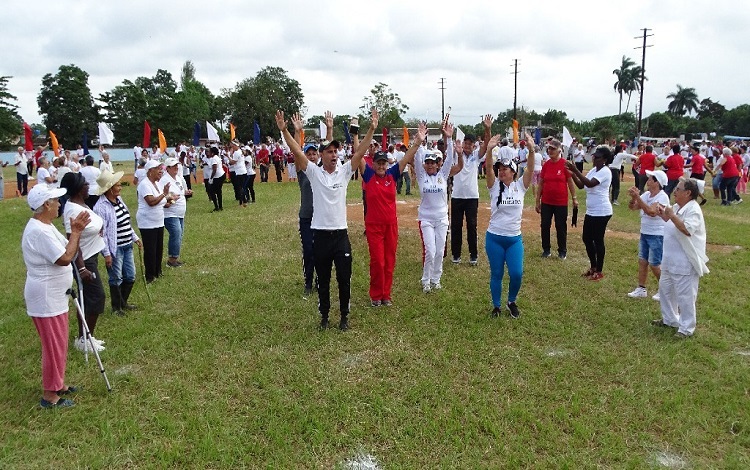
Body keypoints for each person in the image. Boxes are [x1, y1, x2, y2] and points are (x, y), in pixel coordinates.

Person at [277, 108, 378, 331]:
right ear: (321, 156)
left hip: (340, 236)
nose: (333, 155)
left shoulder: (344, 171)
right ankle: (324, 316)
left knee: (344, 280)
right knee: (323, 281)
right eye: (329, 152)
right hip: (320, 235)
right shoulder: (314, 173)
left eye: (336, 151)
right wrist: (285, 130)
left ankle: (344, 316)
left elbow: (360, 152)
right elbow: (297, 151)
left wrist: (371, 129)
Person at [22, 184, 90, 408]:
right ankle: (50, 396)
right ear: (46, 205)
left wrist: (75, 233)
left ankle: (57, 384)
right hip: (45, 297)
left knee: (59, 342)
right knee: (52, 345)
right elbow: (64, 258)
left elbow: (68, 249)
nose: (60, 204)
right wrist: (77, 232)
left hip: (54, 295)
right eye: (56, 201)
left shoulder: (46, 225)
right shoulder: (39, 231)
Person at [361, 122, 426, 306]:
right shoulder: (368, 176)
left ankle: (386, 295)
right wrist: (365, 132)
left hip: (391, 226)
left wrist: (418, 142)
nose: (381, 166)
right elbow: (358, 154)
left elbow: (407, 157)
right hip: (374, 227)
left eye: (383, 163)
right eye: (378, 163)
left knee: (389, 261)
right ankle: (375, 295)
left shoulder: (392, 174)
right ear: (373, 164)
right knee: (377, 262)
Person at [483, 132, 535, 319]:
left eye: (505, 168)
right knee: (496, 273)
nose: (501, 171)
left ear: (513, 171)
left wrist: (531, 149)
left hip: (514, 239)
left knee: (516, 273)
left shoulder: (520, 186)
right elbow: (488, 168)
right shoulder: (494, 186)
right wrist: (489, 150)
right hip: (495, 238)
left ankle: (511, 301)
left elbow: (529, 169)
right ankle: (496, 306)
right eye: (500, 168)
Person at [652, 178, 708, 338]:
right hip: (670, 260)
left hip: (684, 262)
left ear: (688, 193)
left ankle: (686, 328)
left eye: (678, 189)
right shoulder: (677, 207)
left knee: (685, 296)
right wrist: (664, 214)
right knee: (666, 290)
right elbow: (671, 222)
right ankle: (670, 319)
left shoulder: (693, 210)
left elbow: (687, 229)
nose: (675, 191)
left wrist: (671, 215)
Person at [59, 172, 107, 352]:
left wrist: (97, 230)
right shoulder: (72, 210)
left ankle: (86, 336)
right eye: (86, 184)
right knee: (96, 297)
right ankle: (83, 339)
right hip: (84, 261)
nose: (89, 186)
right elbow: (74, 241)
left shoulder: (81, 204)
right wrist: (81, 268)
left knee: (88, 298)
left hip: (91, 256)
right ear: (79, 188)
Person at [416, 125, 460, 293]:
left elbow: (449, 160)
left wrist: (448, 138)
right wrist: (420, 141)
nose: (430, 165)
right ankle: (426, 280)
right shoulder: (421, 177)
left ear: (437, 164)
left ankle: (436, 279)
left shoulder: (443, 175)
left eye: (433, 162)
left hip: (442, 218)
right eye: (427, 162)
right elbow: (417, 157)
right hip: (426, 219)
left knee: (440, 250)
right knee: (430, 250)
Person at [93, 170, 142, 316]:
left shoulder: (119, 200)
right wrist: (107, 254)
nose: (120, 187)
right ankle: (116, 308)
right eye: (117, 185)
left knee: (130, 276)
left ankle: (123, 302)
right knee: (116, 278)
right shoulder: (101, 207)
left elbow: (126, 222)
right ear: (109, 188)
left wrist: (135, 237)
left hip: (127, 245)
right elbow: (102, 234)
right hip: (116, 248)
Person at [566, 146, 613, 280]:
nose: (594, 158)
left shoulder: (605, 171)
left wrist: (575, 169)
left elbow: (590, 183)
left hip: (602, 212)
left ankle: (599, 271)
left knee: (598, 240)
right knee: (587, 238)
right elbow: (582, 185)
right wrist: (572, 174)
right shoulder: (594, 170)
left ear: (604, 159)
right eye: (594, 156)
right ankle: (593, 267)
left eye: (597, 157)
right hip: (592, 212)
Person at [450, 115, 490, 265]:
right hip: (457, 196)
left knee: (472, 226)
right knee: (456, 226)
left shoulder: (476, 156)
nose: (467, 146)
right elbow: (449, 145)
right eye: (465, 143)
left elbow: (486, 144)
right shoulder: (456, 154)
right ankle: (456, 255)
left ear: (474, 145)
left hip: (472, 197)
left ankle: (473, 255)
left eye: (470, 144)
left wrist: (487, 128)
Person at [626, 170, 670, 300]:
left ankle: (666, 291)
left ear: (657, 182)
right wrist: (634, 198)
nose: (648, 181)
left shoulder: (662, 197)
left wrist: (638, 197)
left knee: (655, 264)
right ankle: (641, 288)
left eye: (650, 179)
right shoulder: (647, 194)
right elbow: (633, 207)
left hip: (657, 234)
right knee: (642, 261)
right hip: (645, 232)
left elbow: (652, 212)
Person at [536, 138, 577, 259]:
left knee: (560, 226)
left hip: (560, 202)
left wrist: (574, 198)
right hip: (546, 201)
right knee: (545, 225)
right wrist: (537, 199)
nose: (550, 150)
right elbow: (541, 183)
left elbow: (570, 182)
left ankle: (562, 251)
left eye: (553, 149)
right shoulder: (546, 165)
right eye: (549, 148)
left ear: (559, 150)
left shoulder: (565, 164)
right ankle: (546, 249)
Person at [136, 160, 174, 283]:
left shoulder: (155, 184)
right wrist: (164, 194)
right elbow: (151, 202)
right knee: (150, 249)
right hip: (147, 222)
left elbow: (160, 202)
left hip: (158, 221)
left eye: (161, 168)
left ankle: (158, 271)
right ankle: (150, 276)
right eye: (158, 169)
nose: (161, 171)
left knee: (158, 248)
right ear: (150, 171)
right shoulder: (144, 184)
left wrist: (167, 201)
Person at [161, 157, 189, 267]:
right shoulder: (164, 180)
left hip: (179, 212)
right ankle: (172, 259)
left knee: (179, 234)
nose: (176, 168)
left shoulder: (177, 178)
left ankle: (174, 257)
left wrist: (186, 193)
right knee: (176, 233)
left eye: (177, 166)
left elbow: (180, 192)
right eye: (173, 166)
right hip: (170, 213)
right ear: (167, 168)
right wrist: (173, 199)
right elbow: (164, 198)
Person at [207, 146, 225, 211]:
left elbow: (214, 169)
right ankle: (220, 206)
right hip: (221, 175)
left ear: (212, 153)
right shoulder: (217, 157)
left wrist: (211, 179)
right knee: (218, 191)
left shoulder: (214, 159)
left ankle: (217, 207)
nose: (208, 153)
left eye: (209, 151)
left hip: (218, 176)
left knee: (211, 191)